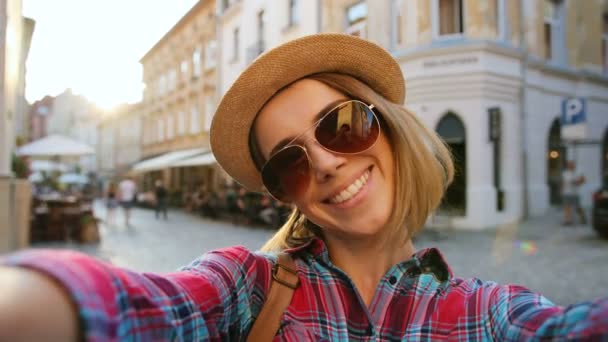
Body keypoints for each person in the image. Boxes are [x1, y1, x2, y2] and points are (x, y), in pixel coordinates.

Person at [0, 34, 606, 341]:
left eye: (341, 125)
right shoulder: (249, 288)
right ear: (283, 193)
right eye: (288, 163)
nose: (323, 164)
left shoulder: (484, 314)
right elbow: (139, 304)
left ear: (387, 128)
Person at [561, 160, 587, 225]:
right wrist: (562, 190)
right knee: (567, 207)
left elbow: (583, 180)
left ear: (574, 165)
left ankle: (583, 217)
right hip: (567, 192)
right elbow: (563, 182)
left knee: (578, 207)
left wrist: (577, 182)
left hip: (576, 192)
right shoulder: (565, 173)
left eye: (571, 164)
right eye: (568, 164)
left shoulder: (578, 172)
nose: (570, 165)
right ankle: (568, 221)